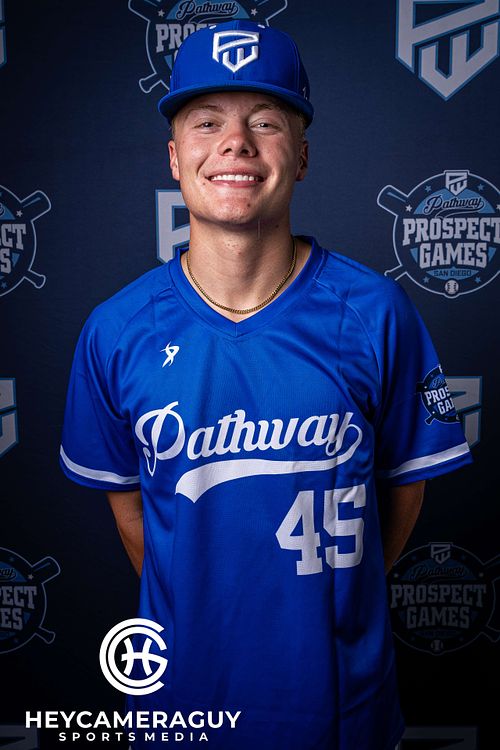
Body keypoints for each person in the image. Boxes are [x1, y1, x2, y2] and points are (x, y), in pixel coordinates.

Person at [60, 20, 472, 750]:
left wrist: (334, 609)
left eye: (266, 121)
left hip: (340, 708)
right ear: (174, 157)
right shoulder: (116, 329)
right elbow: (132, 514)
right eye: (206, 122)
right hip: (181, 705)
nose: (236, 144)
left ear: (302, 155)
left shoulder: (376, 312)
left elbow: (405, 490)